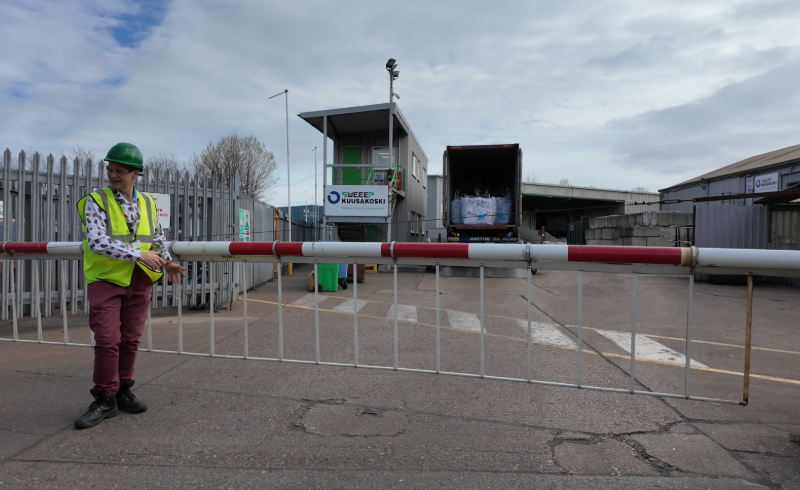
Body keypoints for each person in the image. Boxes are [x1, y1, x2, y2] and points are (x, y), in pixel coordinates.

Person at [74, 142, 186, 429]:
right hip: (106, 278)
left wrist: (167, 261)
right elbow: (97, 241)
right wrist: (139, 255)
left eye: (119, 171)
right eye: (110, 169)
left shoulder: (147, 202)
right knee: (107, 340)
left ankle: (123, 390)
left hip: (139, 279)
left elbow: (157, 237)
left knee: (130, 339)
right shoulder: (96, 201)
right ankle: (105, 398)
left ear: (136, 173)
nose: (112, 175)